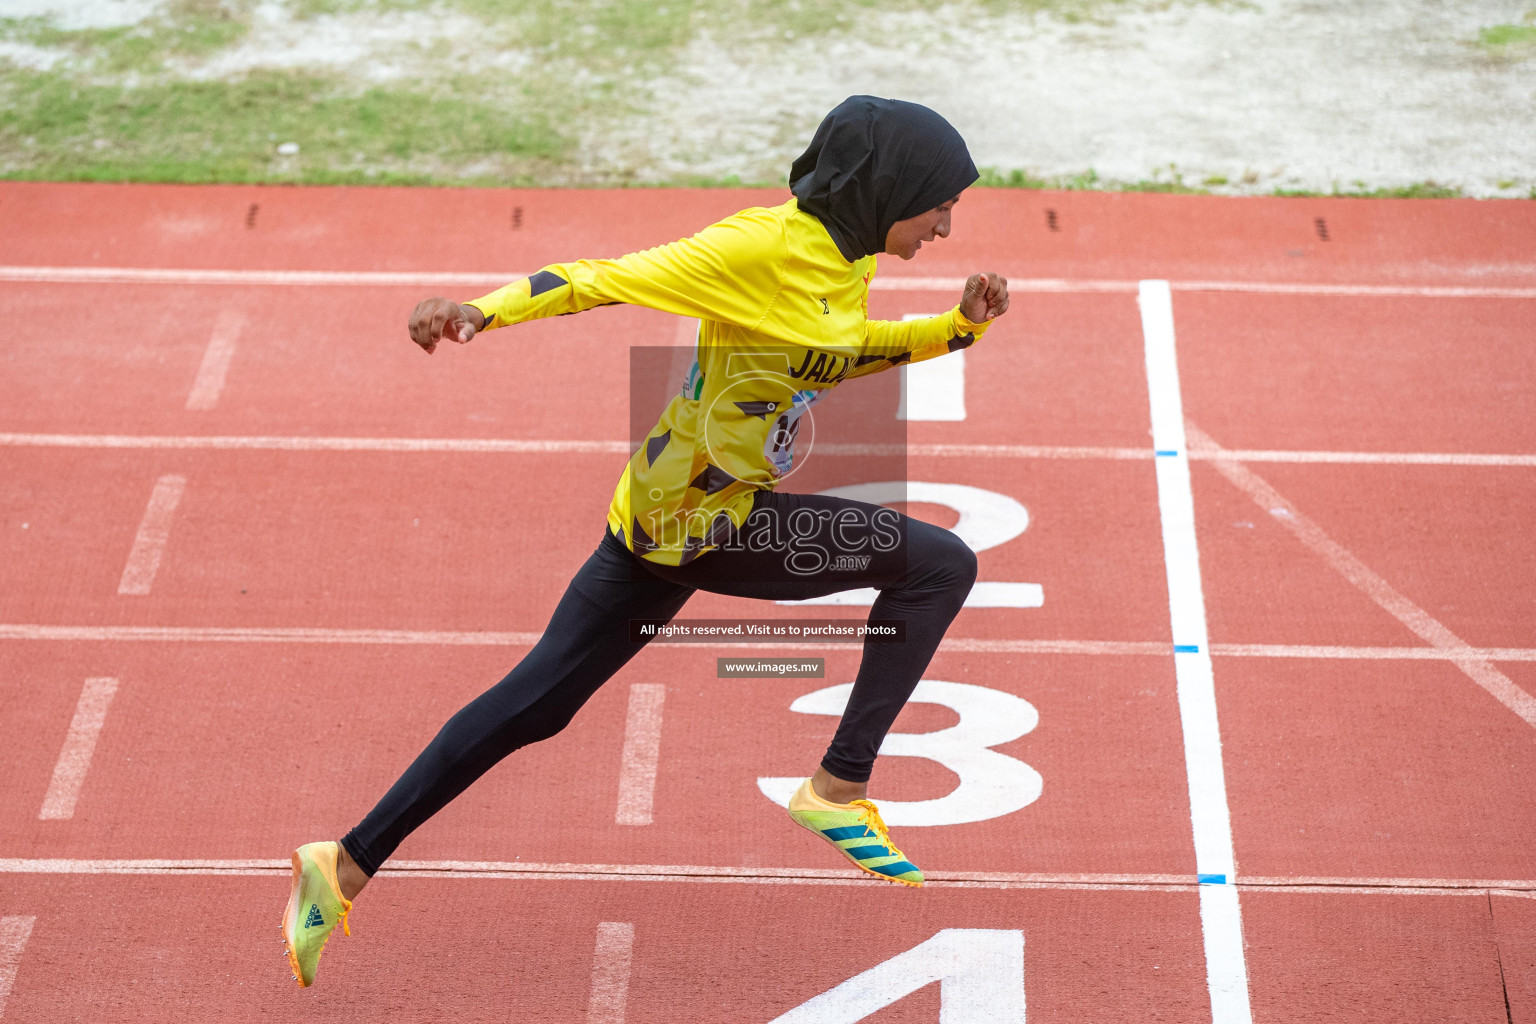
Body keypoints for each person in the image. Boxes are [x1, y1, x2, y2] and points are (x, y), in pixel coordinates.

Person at [281, 95, 1010, 988]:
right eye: (940, 201)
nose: (946, 223)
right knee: (942, 566)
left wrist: (957, 328)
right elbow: (604, 277)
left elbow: (838, 351)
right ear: (886, 188)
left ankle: (342, 864)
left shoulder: (841, 260)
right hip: (709, 521)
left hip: (658, 514)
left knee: (536, 704)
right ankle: (837, 789)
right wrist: (482, 311)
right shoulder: (757, 247)